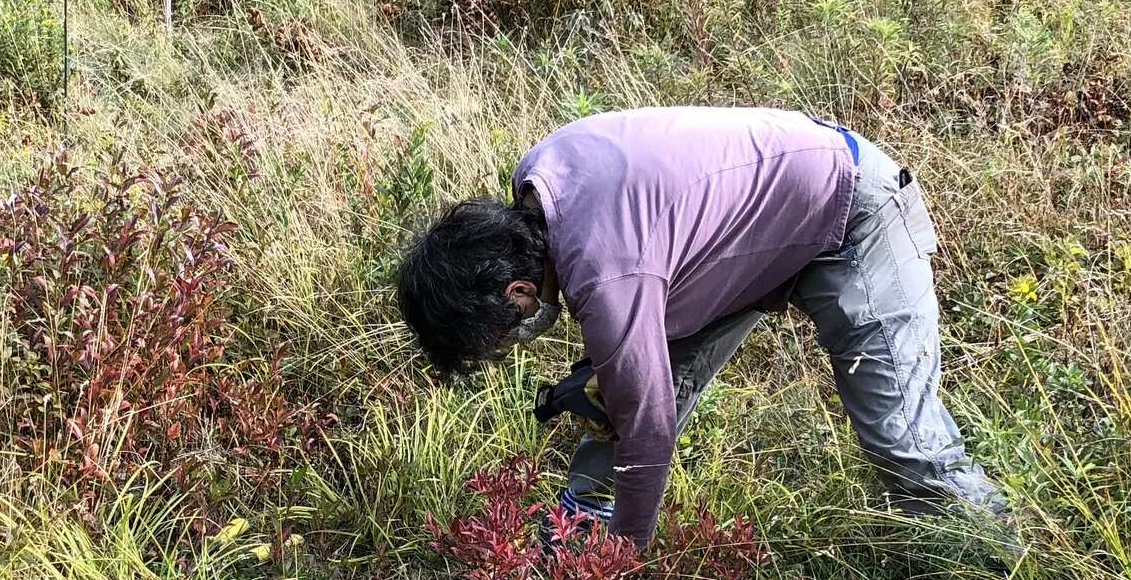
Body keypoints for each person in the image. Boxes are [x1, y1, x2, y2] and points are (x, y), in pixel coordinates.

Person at [394, 105, 1007, 550]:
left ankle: (1005, 563)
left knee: (901, 440)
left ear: (519, 291)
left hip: (850, 207)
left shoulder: (608, 271)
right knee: (609, 394)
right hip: (742, 235)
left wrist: (624, 557)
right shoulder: (540, 179)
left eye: (510, 328)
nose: (521, 336)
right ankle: (573, 535)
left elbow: (650, 428)